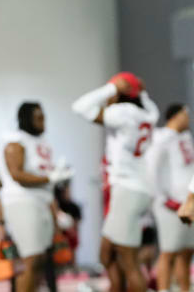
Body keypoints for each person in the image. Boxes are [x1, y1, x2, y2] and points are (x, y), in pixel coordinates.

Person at [72, 72, 159, 292]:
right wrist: (140, 90)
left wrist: (110, 89)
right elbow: (147, 103)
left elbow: (80, 107)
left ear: (120, 92)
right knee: (107, 253)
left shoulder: (123, 112)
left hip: (128, 190)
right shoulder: (149, 112)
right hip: (136, 189)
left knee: (128, 260)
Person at [0, 102, 73, 292]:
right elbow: (16, 174)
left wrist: (56, 210)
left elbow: (45, 185)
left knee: (40, 259)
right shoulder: (16, 140)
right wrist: (49, 177)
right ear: (27, 119)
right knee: (29, 259)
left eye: (43, 117)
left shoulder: (42, 142)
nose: (42, 122)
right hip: (22, 202)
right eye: (38, 118)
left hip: (41, 202)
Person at [146, 104, 194, 292]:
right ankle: (163, 289)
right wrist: (162, 198)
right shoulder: (160, 138)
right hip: (169, 204)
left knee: (187, 251)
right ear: (174, 116)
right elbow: (151, 170)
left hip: (188, 201)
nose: (188, 119)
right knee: (168, 251)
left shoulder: (185, 138)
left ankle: (185, 289)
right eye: (185, 114)